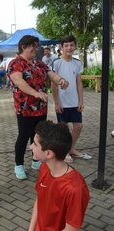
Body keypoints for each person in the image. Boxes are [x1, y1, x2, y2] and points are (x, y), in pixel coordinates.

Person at [7, 35, 69, 180]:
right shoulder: (15, 63)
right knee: (23, 137)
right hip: (25, 108)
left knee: (38, 136)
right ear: (23, 47)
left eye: (37, 46)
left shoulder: (39, 63)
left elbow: (51, 73)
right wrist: (36, 93)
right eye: (33, 46)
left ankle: (36, 161)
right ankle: (19, 165)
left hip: (41, 107)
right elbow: (19, 82)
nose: (36, 49)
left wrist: (60, 80)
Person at [26, 120, 90, 231]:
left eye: (35, 144)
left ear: (49, 154)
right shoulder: (44, 168)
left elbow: (72, 229)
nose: (30, 147)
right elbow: (39, 200)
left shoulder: (75, 188)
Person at [51, 35, 92, 163]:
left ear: (75, 46)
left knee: (78, 126)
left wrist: (81, 101)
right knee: (63, 129)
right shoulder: (56, 63)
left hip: (75, 102)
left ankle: (71, 149)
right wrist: (56, 102)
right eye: (66, 45)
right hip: (62, 103)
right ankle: (63, 152)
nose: (69, 48)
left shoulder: (77, 63)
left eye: (71, 45)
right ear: (61, 47)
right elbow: (53, 84)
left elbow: (79, 83)